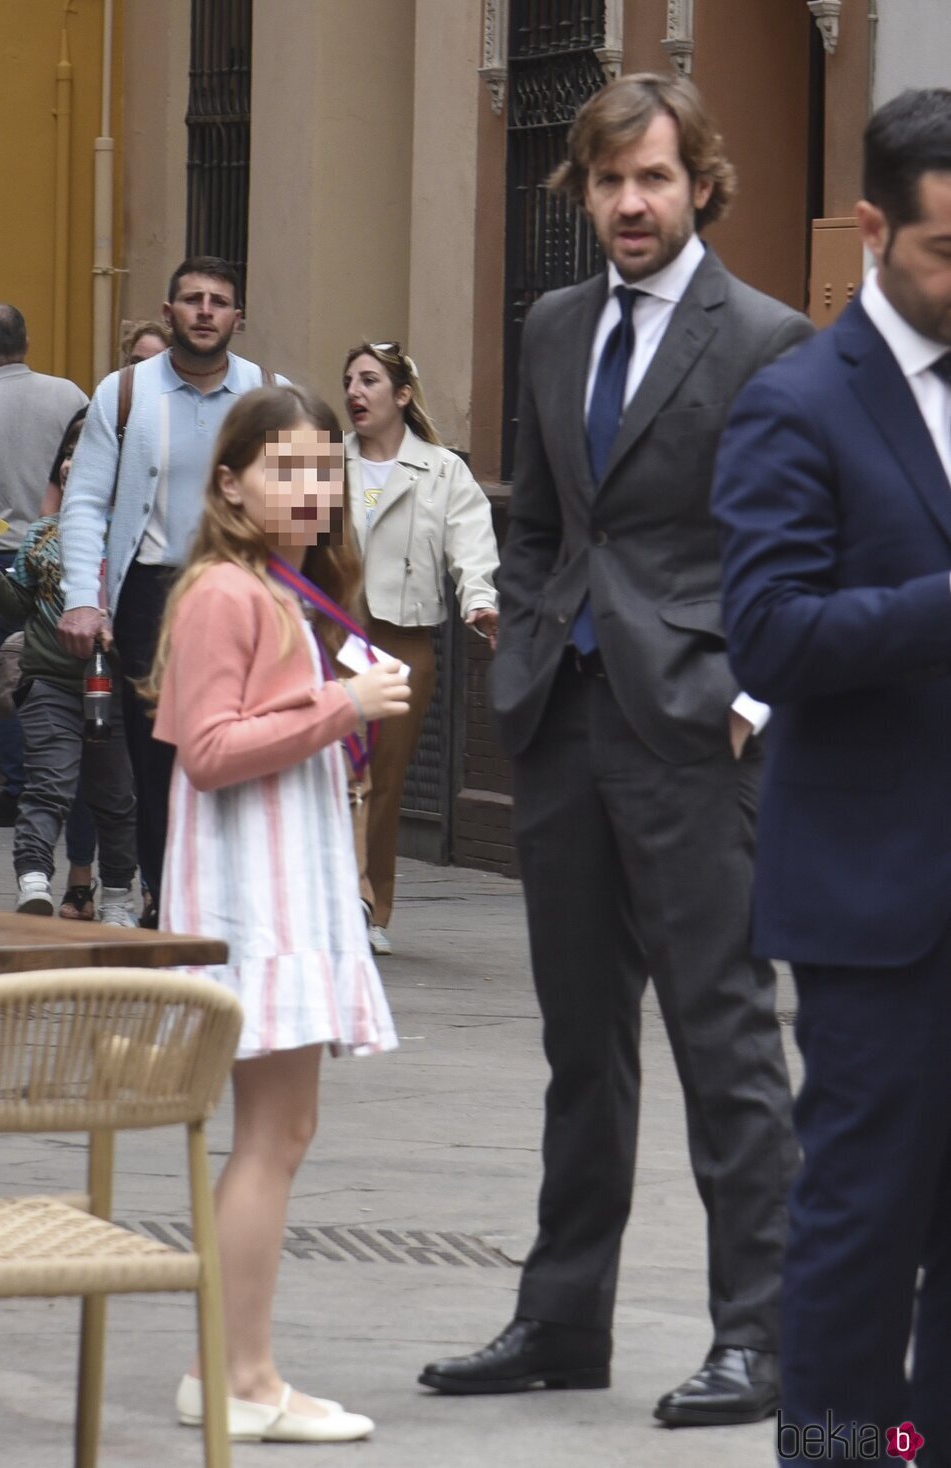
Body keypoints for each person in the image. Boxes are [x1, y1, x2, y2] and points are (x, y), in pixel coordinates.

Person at [419, 71, 810, 1424]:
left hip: (698, 733)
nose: (628, 204)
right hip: (563, 722)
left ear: (701, 180)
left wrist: (751, 699)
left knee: (725, 1042)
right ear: (579, 191)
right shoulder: (550, 323)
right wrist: (528, 634)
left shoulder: (766, 337)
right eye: (605, 181)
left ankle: (762, 1336)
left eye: (652, 178)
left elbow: (803, 544)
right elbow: (532, 512)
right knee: (581, 1043)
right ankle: (560, 1317)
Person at [713, 88, 951, 1467]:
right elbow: (771, 633)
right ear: (872, 230)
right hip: (878, 905)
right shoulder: (795, 405)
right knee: (862, 1232)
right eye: (943, 253)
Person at [145, 383, 410, 1443]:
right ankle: (237, 1375)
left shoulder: (277, 586)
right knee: (271, 1135)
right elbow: (209, 751)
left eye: (324, 468)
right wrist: (338, 705)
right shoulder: (227, 592)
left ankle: (234, 1369)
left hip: (281, 889)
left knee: (278, 1131)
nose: (311, 489)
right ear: (227, 482)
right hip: (253, 900)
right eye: (284, 469)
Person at [56, 256, 287, 921]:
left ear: (239, 317)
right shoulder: (123, 394)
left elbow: (313, 511)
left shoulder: (272, 396)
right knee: (158, 761)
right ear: (169, 313)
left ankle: (232, 900)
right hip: (152, 598)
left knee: (237, 748)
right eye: (192, 300)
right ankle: (169, 897)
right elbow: (85, 502)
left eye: (220, 301)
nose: (206, 311)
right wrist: (82, 596)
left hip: (245, 596)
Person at [342, 342, 499, 955]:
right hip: (332, 636)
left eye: (370, 380)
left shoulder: (442, 470)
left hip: (403, 642)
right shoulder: (323, 462)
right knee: (327, 770)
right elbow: (286, 545)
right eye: (349, 380)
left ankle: (370, 908)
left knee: (382, 778)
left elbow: (473, 546)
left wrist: (480, 600)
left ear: (402, 395)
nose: (355, 391)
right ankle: (328, 899)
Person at [0, 409, 138, 924]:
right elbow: (14, 606)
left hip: (114, 685)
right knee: (49, 783)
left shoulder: (135, 538)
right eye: (68, 454)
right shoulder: (43, 534)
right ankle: (34, 882)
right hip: (50, 680)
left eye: (83, 455)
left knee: (115, 799)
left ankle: (117, 897)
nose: (71, 464)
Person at [0, 303, 87, 827]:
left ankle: (21, 787)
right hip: (69, 549)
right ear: (28, 344)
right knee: (66, 673)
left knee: (10, 671)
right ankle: (72, 784)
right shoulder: (69, 395)